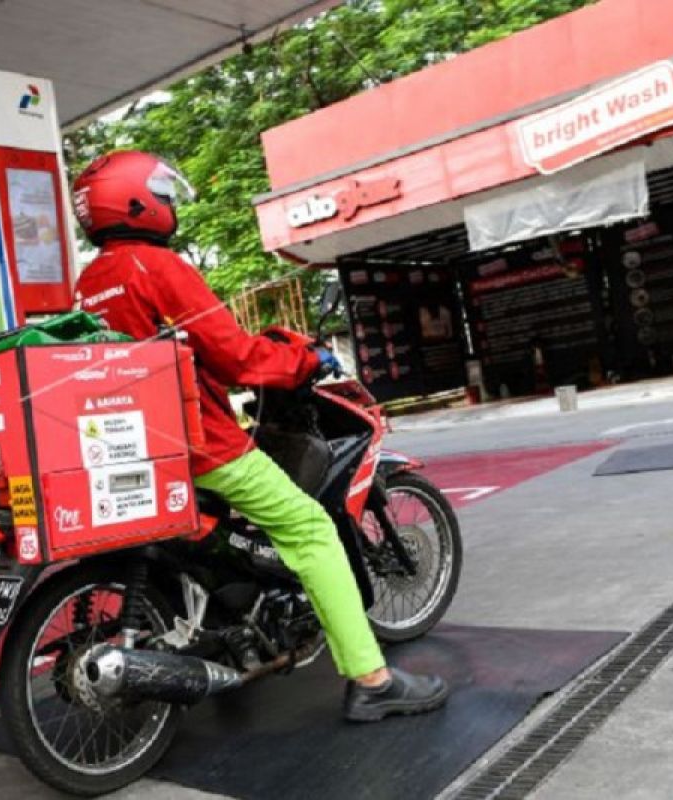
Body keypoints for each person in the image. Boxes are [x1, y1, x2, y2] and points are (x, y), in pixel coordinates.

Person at [71, 150, 448, 722]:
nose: (169, 204)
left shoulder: (90, 281)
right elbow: (234, 358)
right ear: (134, 201)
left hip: (131, 445)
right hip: (199, 443)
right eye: (162, 194)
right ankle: (373, 679)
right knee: (312, 530)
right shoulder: (157, 267)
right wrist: (303, 360)